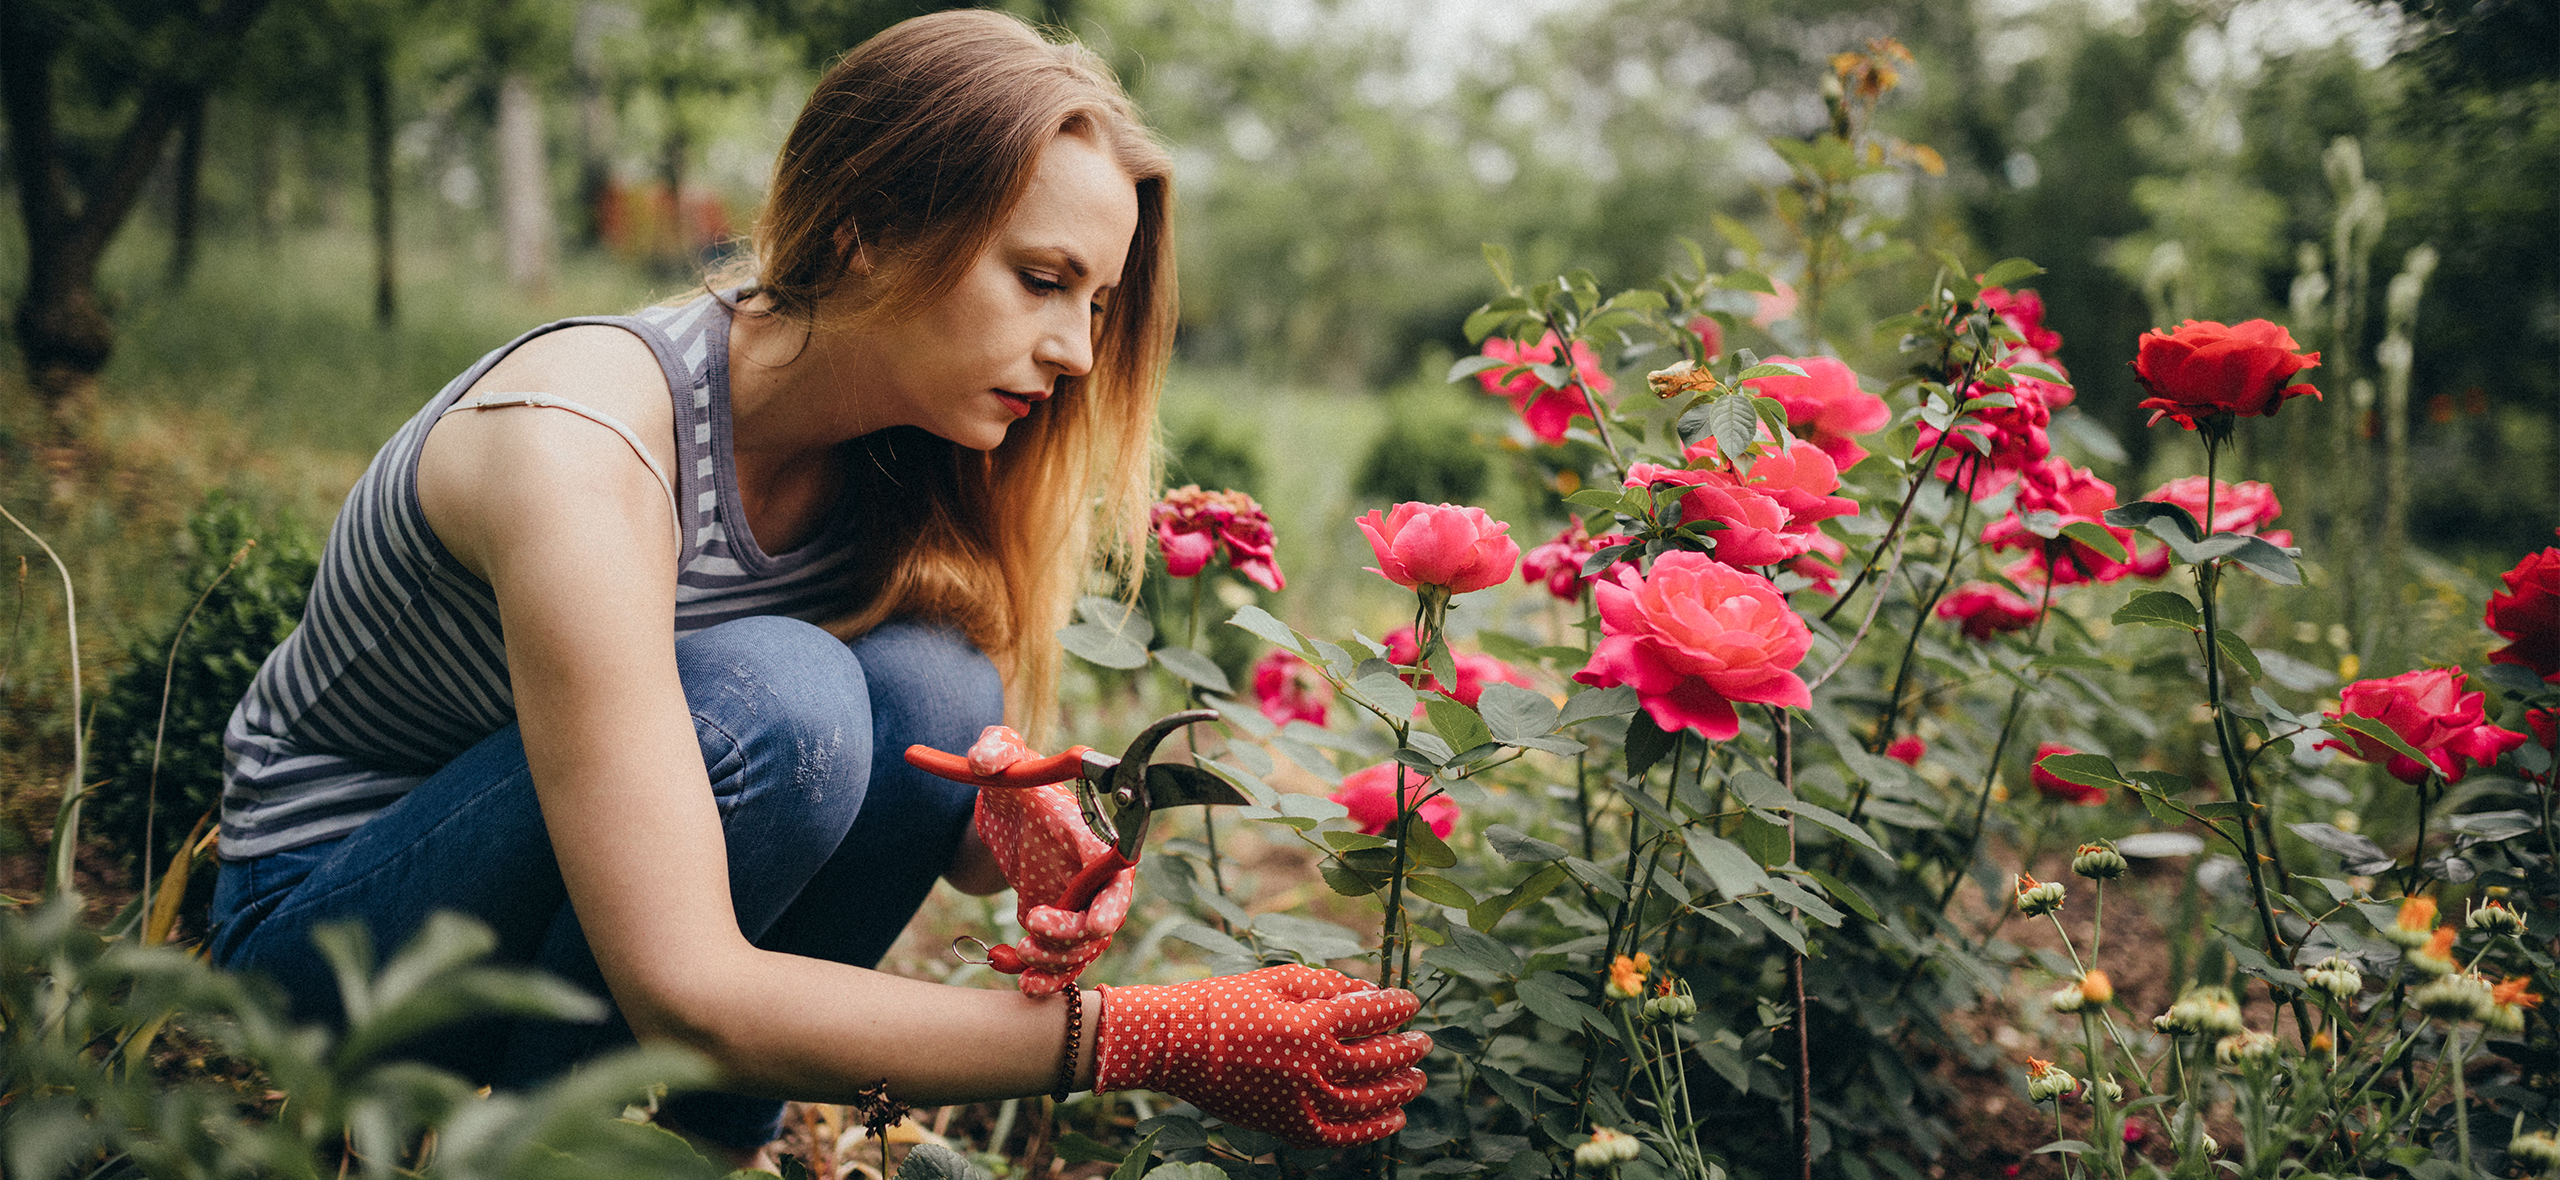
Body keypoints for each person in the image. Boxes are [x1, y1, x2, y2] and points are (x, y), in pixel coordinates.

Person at [205, 9, 1427, 1159]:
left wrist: (1013, 823)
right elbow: (684, 984)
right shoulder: (583, 443)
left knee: (936, 683)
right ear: (865, 234)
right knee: (779, 700)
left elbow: (941, 843)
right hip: (331, 938)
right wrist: (1156, 1035)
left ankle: (694, 1157)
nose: (1075, 352)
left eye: (1098, 303)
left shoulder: (895, 465)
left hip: (557, 903)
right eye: (1043, 280)